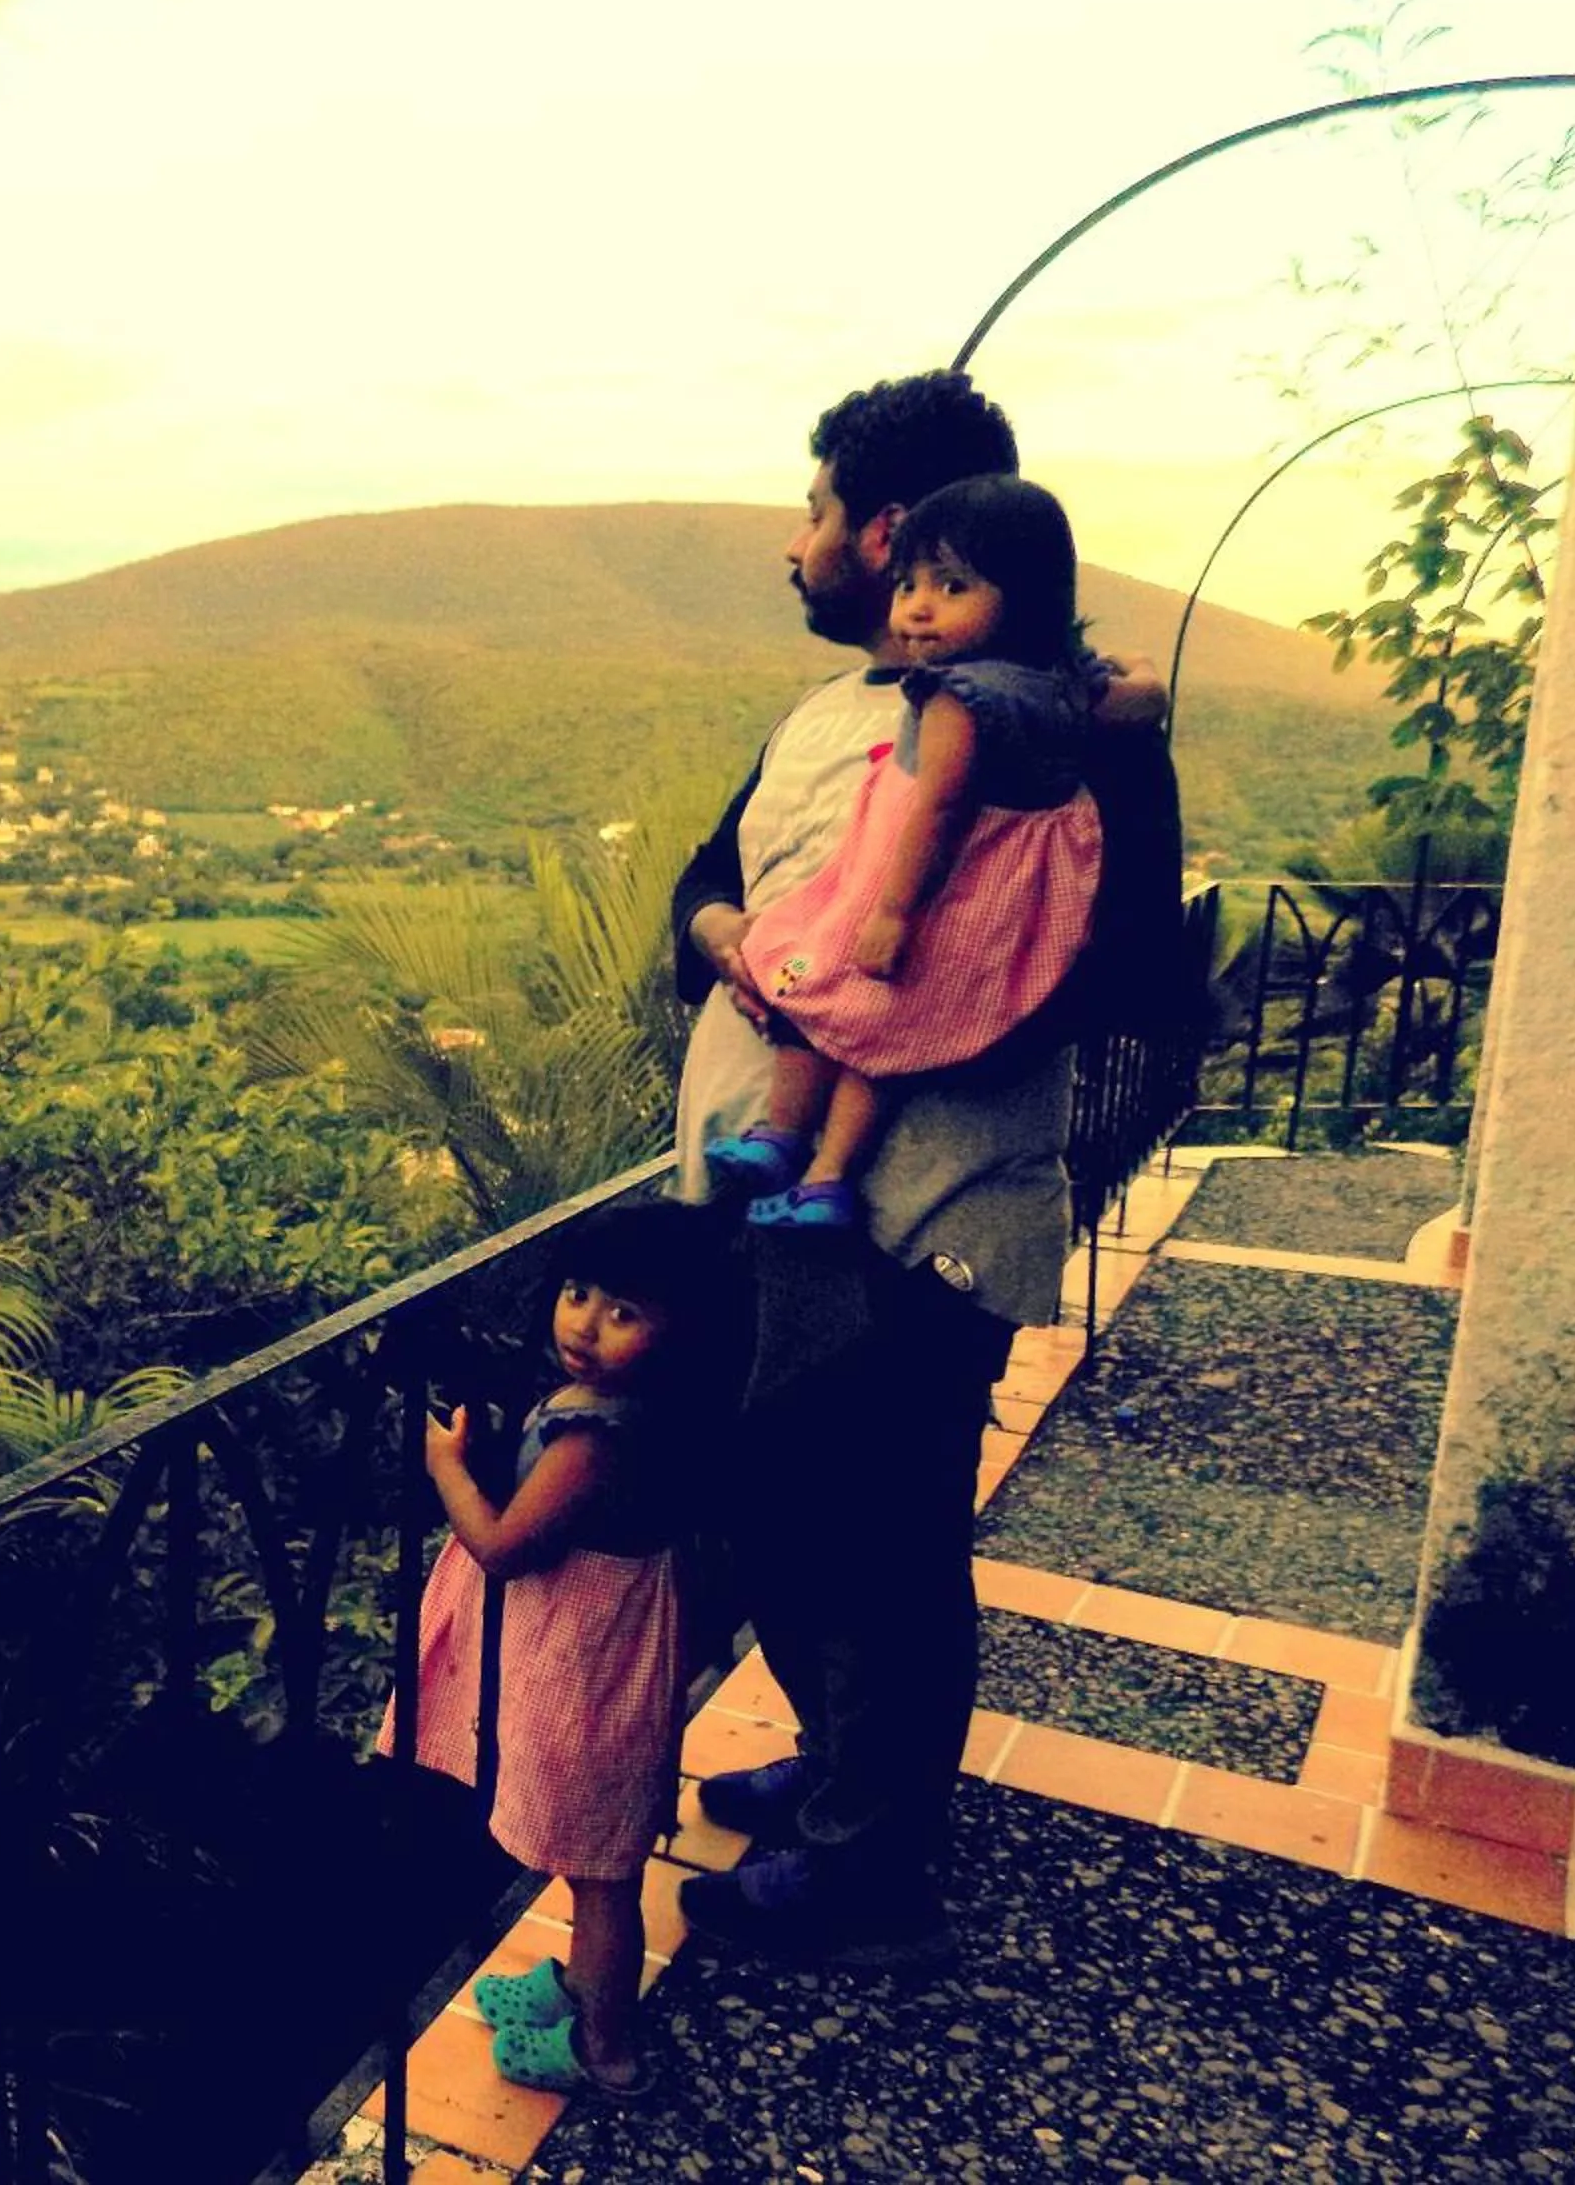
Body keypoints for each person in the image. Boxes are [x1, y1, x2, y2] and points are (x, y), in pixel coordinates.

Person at [669, 372, 1180, 1966]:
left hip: (915, 1218)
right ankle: (840, 1771)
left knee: (883, 1537)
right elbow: (704, 879)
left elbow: (1131, 965)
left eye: (817, 511)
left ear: (890, 533)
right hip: (774, 1199)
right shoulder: (828, 717)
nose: (798, 545)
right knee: (782, 1510)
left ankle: (871, 1867)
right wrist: (738, 938)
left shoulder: (1048, 734)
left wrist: (1122, 754)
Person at [374, 1197, 730, 2100]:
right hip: (598, 1652)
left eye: (625, 1313)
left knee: (600, 1869)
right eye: (579, 1294)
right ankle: (580, 1983)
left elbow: (504, 1545)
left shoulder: (599, 1436)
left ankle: (605, 2049)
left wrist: (445, 1469)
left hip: (590, 1667)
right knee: (589, 1850)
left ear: (681, 1331)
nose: (587, 1325)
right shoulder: (638, 1408)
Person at [706, 474, 1111, 1232]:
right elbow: (1118, 694)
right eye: (910, 585)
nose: (918, 607)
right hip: (992, 913)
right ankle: (826, 1181)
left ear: (1022, 594)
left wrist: (892, 910)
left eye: (952, 586)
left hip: (919, 892)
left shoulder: (961, 696)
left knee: (804, 979)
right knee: (885, 1041)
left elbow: (940, 802)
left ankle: (782, 1135)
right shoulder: (1063, 686)